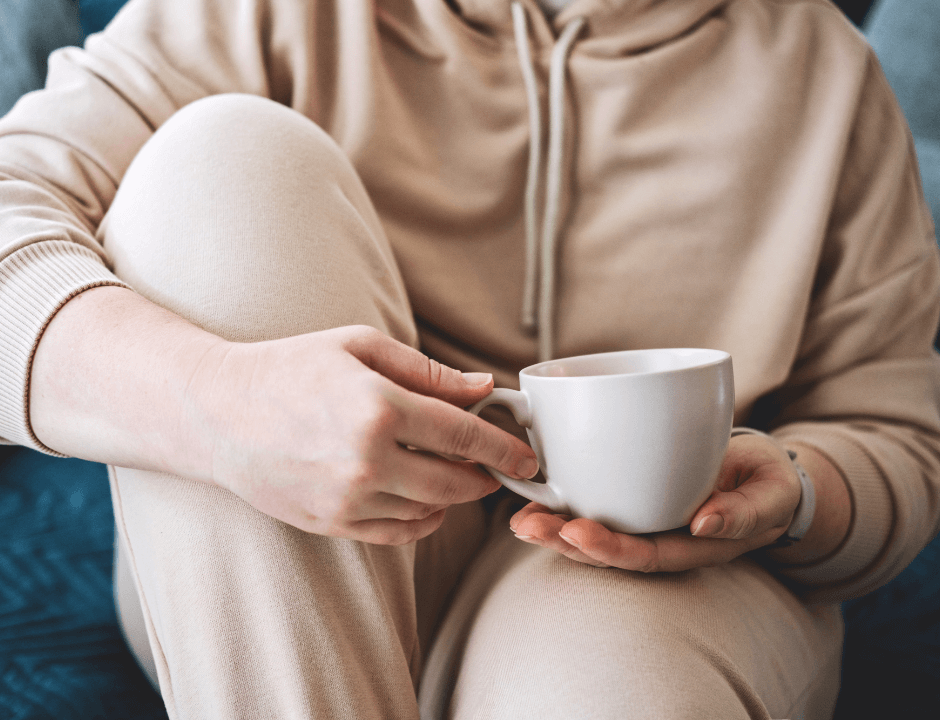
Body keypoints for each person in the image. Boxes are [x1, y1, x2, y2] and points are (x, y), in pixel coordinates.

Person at [0, 0, 938, 718]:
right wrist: (215, 403)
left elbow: (894, 428)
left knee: (611, 682)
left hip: (662, 578)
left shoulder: (824, 71)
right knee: (217, 161)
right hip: (283, 570)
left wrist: (798, 490)